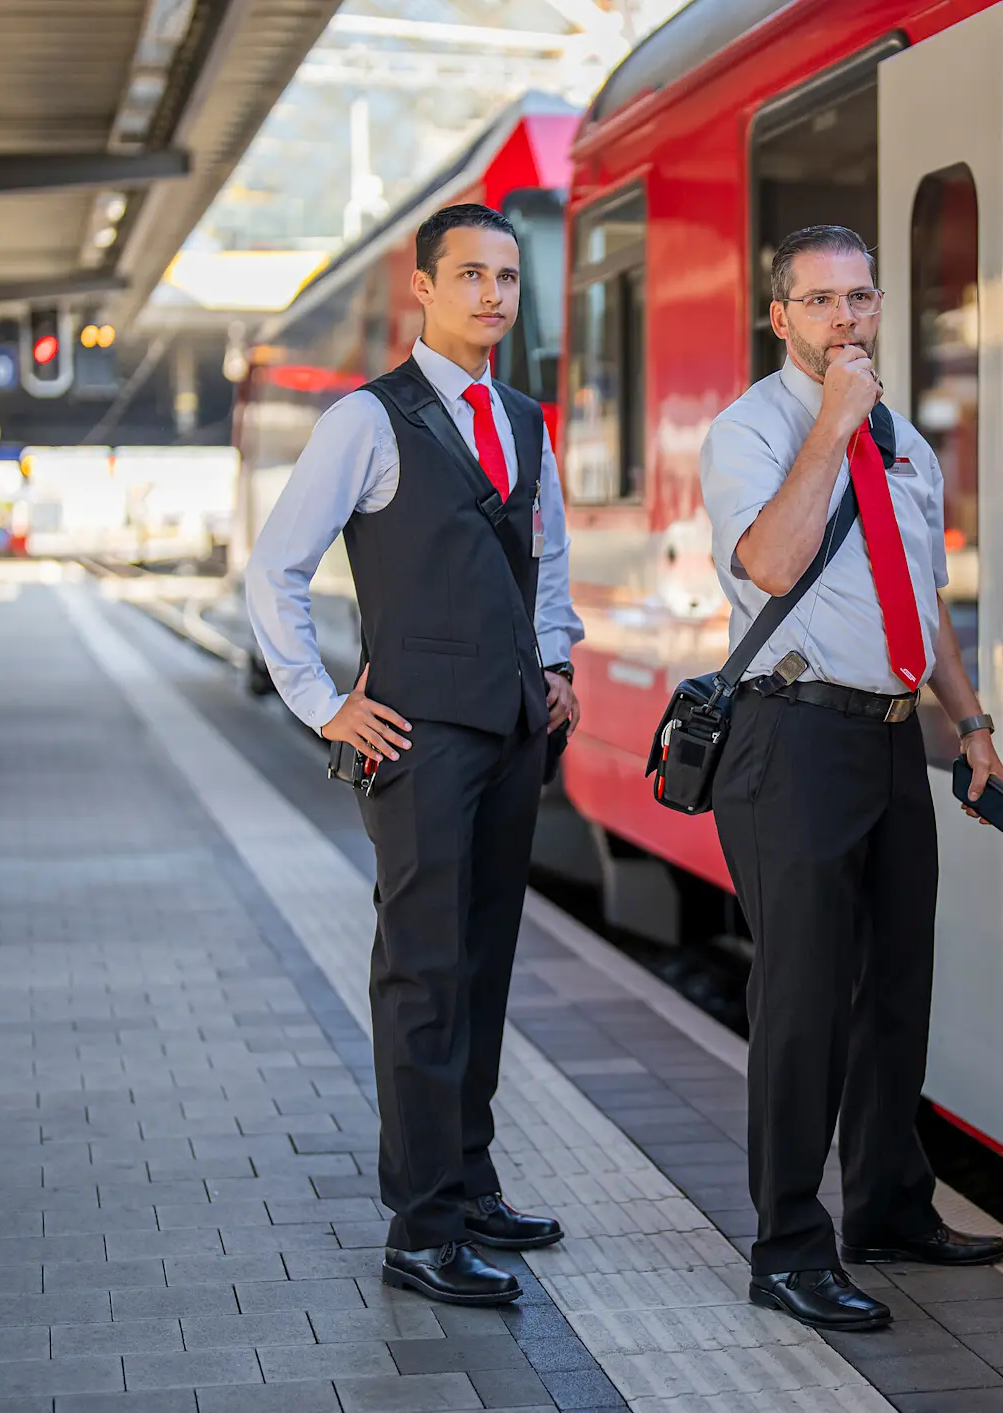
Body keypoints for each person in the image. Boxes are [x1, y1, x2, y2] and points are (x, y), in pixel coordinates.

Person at [245, 203, 582, 1306]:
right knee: (424, 979)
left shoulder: (528, 421)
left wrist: (557, 660)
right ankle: (421, 1231)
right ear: (424, 292)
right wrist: (320, 702)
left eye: (507, 278)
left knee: (481, 970)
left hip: (512, 730)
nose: (492, 294)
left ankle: (471, 1185)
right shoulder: (366, 420)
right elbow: (275, 570)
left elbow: (549, 560)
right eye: (470, 275)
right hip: (417, 740)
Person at [698, 224, 1003, 1332]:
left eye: (860, 299)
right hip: (792, 739)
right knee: (803, 1003)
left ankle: (885, 1205)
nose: (845, 319)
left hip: (888, 737)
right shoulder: (748, 433)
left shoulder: (907, 443)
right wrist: (829, 430)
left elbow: (921, 601)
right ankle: (788, 1246)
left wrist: (968, 726)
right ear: (779, 318)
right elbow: (775, 562)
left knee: (896, 991)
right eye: (820, 301)